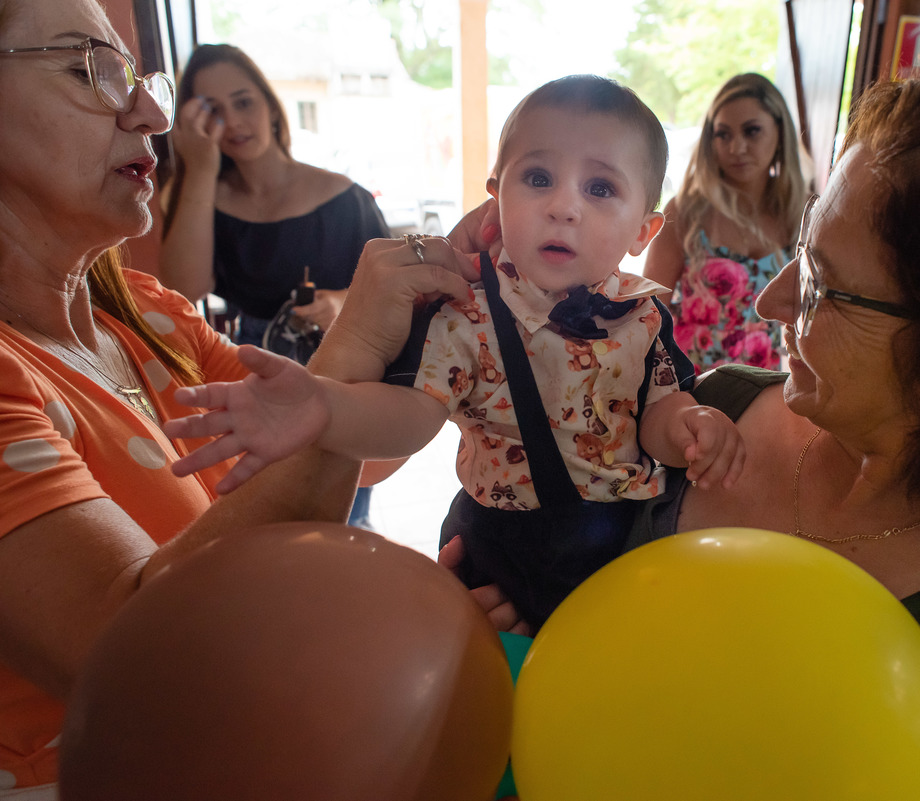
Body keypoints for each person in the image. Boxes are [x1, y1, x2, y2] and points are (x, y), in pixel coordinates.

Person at [464, 73, 920, 800]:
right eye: (801, 251)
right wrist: (491, 621)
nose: (769, 299)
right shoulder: (702, 416)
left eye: (822, 283)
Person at [0, 0, 483, 792]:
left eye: (137, 75)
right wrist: (356, 344)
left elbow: (329, 466)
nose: (153, 112)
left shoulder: (152, 316)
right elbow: (125, 649)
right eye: (87, 67)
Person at [166, 75, 746, 631]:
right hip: (501, 552)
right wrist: (326, 408)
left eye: (600, 188)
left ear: (644, 231)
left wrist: (691, 427)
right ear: (495, 200)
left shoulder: (643, 317)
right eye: (538, 177)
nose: (563, 206)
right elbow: (411, 419)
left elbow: (654, 418)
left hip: (622, 547)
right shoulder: (466, 313)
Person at [159, 43, 388, 528]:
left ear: (270, 106)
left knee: (338, 516)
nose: (235, 121)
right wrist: (198, 169)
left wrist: (339, 302)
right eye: (213, 111)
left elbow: (396, 294)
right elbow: (183, 287)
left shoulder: (345, 198)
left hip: (339, 371)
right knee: (266, 518)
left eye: (244, 102)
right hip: (249, 374)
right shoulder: (203, 198)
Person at [643, 72, 809, 372]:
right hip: (687, 389)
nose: (736, 148)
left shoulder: (802, 212)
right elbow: (650, 313)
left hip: (762, 390)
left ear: (780, 131)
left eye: (752, 131)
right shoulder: (687, 211)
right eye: (723, 134)